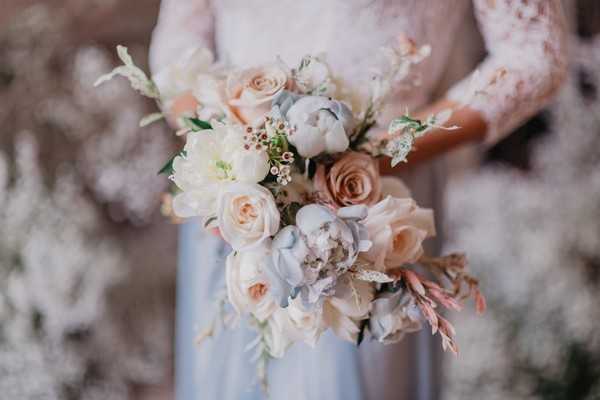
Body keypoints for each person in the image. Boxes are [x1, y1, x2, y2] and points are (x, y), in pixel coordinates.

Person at [149, 1, 567, 399]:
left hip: (375, 208)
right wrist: (235, 154)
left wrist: (374, 156)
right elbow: (177, 43)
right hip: (236, 209)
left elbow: (533, 56)